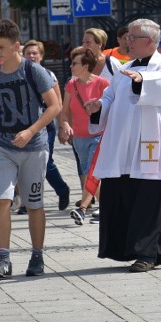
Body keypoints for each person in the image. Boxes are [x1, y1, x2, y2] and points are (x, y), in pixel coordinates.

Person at [84, 19, 161, 272]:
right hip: (123, 147)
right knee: (125, 195)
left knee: (149, 200)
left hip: (151, 148)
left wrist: (140, 80)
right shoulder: (125, 69)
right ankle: (128, 248)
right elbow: (111, 95)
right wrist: (99, 105)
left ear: (150, 42)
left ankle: (149, 254)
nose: (127, 41)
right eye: (127, 37)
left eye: (133, 37)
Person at [0, 20, 61, 279]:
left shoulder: (34, 71)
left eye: (1, 47)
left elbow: (55, 106)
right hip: (2, 146)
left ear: (16, 46)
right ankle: (3, 259)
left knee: (34, 204)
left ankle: (37, 255)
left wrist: (31, 130)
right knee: (1, 201)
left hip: (34, 147)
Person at [61, 46, 110, 225]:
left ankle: (82, 209)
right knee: (89, 173)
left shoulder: (102, 83)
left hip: (98, 135)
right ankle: (108, 206)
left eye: (75, 63)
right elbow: (64, 111)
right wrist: (65, 125)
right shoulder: (71, 85)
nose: (71, 66)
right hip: (79, 138)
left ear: (86, 65)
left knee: (91, 171)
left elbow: (111, 108)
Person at [23, 40, 70, 212]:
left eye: (35, 53)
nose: (31, 56)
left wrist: (63, 125)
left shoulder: (49, 75)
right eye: (28, 53)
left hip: (45, 126)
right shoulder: (19, 74)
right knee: (25, 164)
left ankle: (62, 189)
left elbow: (57, 102)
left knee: (46, 162)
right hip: (23, 126)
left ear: (41, 56)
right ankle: (27, 201)